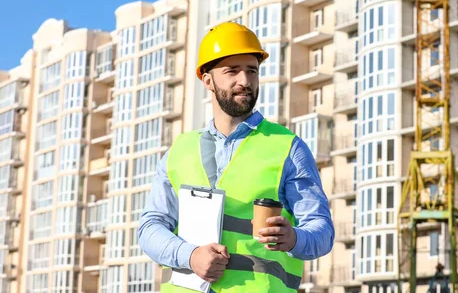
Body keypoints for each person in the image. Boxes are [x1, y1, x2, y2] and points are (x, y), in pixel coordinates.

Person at [138, 22, 335, 292]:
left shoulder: (288, 148)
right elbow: (150, 227)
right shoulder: (178, 152)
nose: (245, 80)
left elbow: (322, 231)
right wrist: (190, 256)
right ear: (207, 80)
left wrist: (294, 239)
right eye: (232, 71)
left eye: (252, 70)